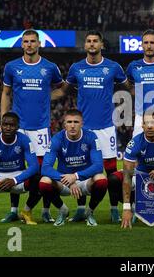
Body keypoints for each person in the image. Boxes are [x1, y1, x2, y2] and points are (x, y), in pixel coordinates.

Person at [52, 30, 129, 223]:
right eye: (89, 41)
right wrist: (42, 97)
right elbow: (64, 91)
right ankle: (81, 209)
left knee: (111, 172)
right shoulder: (77, 68)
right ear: (85, 45)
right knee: (82, 167)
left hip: (105, 127)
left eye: (96, 41)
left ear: (102, 44)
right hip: (83, 129)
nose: (92, 44)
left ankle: (113, 209)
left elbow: (128, 88)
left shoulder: (113, 67)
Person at [0, 29, 63, 223]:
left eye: (32, 41)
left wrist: (47, 98)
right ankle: (13, 210)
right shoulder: (11, 67)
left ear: (39, 44)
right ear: (22, 44)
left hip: (41, 128)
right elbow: (6, 93)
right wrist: (3, 119)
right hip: (18, 127)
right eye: (26, 41)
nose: (29, 45)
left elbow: (62, 90)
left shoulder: (50, 67)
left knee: (43, 171)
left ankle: (44, 210)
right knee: (16, 168)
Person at [39, 109, 107, 227]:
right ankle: (63, 210)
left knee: (101, 179)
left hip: (85, 180)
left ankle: (89, 212)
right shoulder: (57, 139)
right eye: (69, 122)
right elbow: (45, 168)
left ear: (82, 124)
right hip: (64, 181)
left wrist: (75, 176)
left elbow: (98, 166)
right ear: (64, 124)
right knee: (44, 181)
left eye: (76, 122)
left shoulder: (91, 137)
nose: (72, 126)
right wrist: (68, 181)